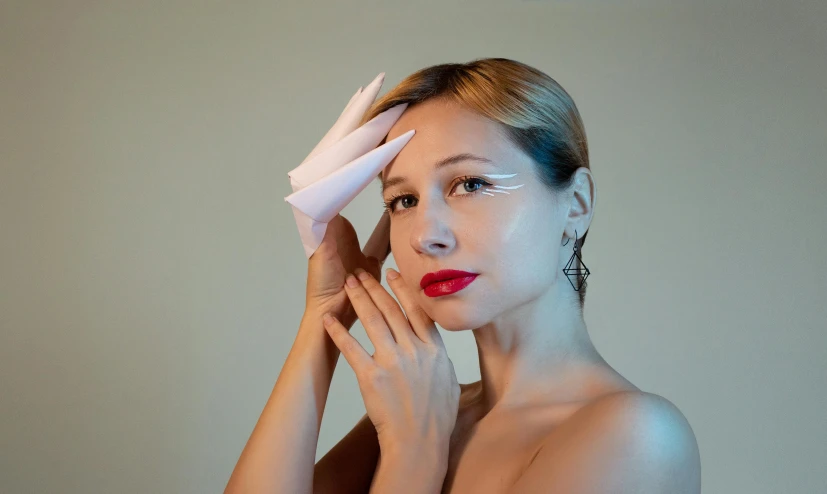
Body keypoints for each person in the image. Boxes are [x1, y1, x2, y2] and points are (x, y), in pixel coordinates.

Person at [225, 58, 701, 493]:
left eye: (470, 184)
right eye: (403, 201)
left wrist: (414, 460)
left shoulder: (637, 437)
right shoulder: (427, 410)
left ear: (576, 204)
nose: (424, 236)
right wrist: (325, 317)